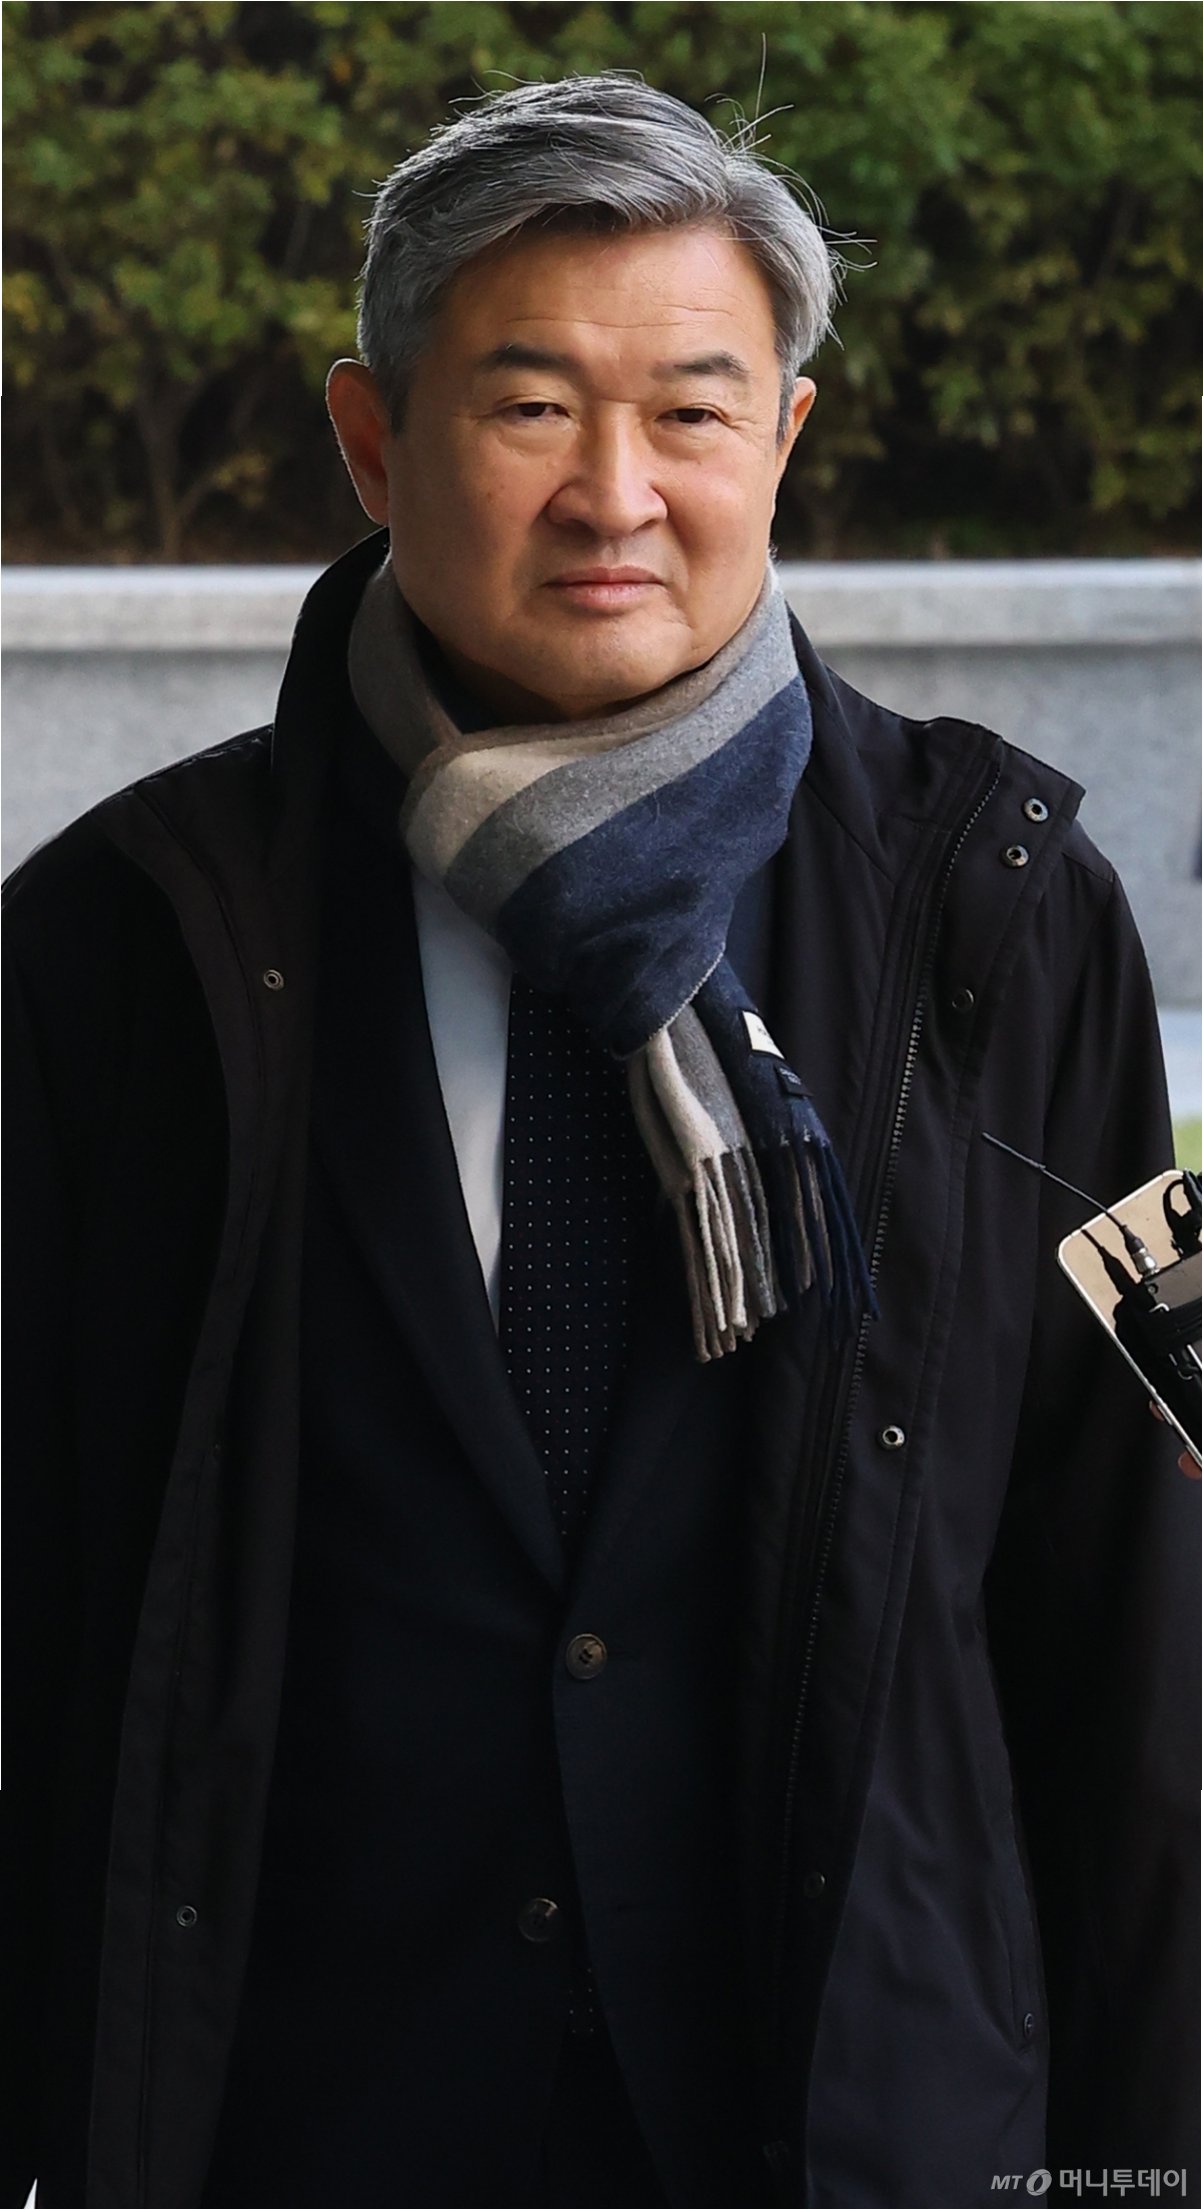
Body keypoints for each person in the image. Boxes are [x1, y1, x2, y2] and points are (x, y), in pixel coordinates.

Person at [2, 73, 1196, 2210]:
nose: (614, 494)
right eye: (531, 407)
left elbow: (1146, 1585)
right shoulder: (122, 944)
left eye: (692, 412)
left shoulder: (1008, 914)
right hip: (305, 2127)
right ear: (373, 441)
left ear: (787, 440)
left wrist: (1134, 2169)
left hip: (859, 2122)